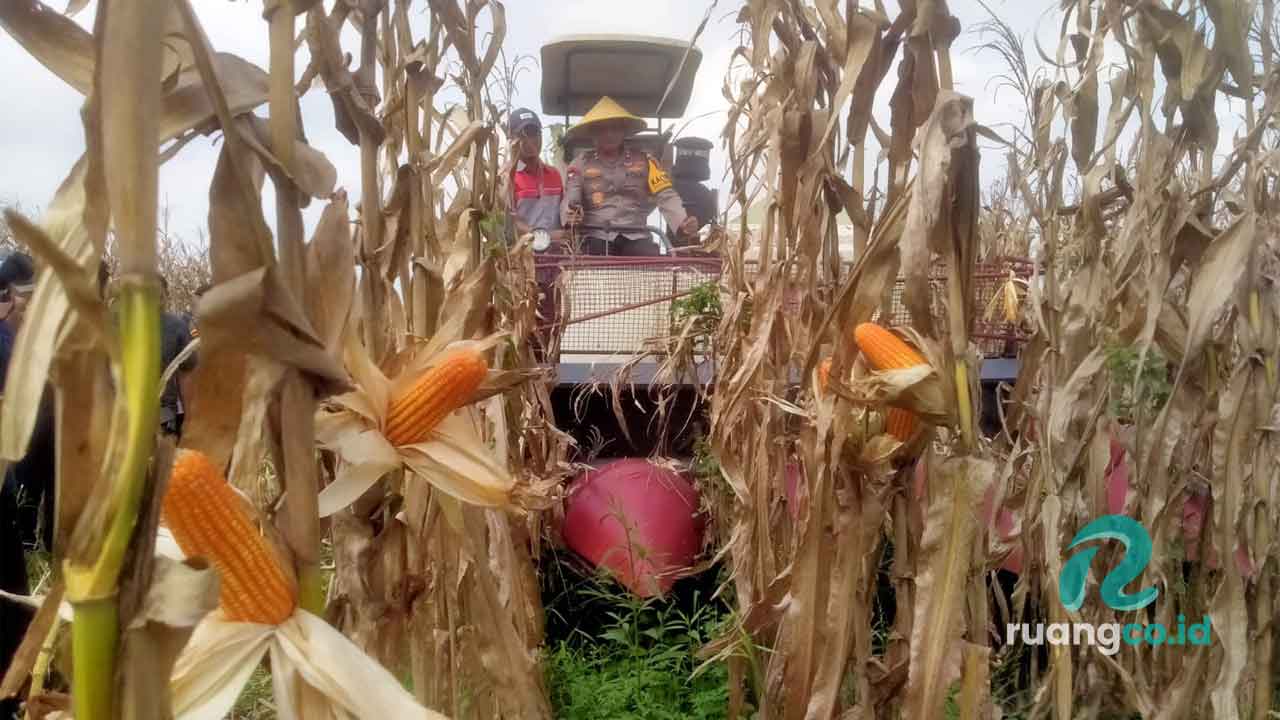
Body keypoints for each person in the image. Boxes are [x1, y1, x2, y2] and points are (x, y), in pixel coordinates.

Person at [560, 96, 699, 256]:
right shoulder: (579, 164)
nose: (609, 134)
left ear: (624, 130)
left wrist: (682, 222)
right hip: (595, 236)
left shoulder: (646, 161)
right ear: (593, 134)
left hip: (636, 234)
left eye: (615, 128)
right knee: (592, 257)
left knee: (652, 260)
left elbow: (665, 194)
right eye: (602, 129)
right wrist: (570, 214)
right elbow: (571, 197)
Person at [158, 276, 198, 439]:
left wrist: (190, 416)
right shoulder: (118, 324)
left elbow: (187, 371)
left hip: (165, 414)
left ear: (166, 296)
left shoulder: (176, 326)